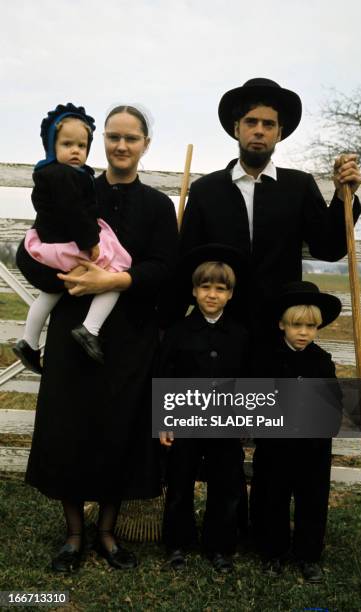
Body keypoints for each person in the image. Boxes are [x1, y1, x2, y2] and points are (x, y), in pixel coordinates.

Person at [15, 104, 178, 572]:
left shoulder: (158, 205)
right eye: (112, 137)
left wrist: (115, 282)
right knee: (69, 429)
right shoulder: (73, 185)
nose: (121, 145)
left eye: (131, 137)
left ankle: (107, 532)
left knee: (117, 432)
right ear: (100, 141)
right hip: (72, 329)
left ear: (146, 143)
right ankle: (73, 534)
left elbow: (165, 268)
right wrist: (61, 274)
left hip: (129, 336)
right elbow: (36, 250)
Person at [179, 78, 361, 337]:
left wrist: (344, 198)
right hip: (219, 325)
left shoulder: (299, 186)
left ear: (279, 133)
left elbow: (329, 248)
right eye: (251, 122)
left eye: (268, 124)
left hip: (277, 324)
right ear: (236, 128)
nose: (259, 131)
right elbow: (187, 261)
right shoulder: (205, 190)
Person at [13, 103, 133, 370]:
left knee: (50, 293)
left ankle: (28, 342)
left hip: (56, 243)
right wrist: (90, 241)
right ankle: (90, 328)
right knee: (116, 270)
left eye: (81, 145)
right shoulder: (62, 175)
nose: (76, 150)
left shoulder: (58, 174)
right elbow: (74, 213)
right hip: (72, 243)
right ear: (52, 146)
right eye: (67, 144)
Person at [158, 245, 249, 573]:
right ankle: (177, 544)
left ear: (230, 294)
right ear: (195, 291)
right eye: (206, 287)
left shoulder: (240, 335)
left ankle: (220, 546)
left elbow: (246, 379)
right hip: (184, 420)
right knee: (180, 482)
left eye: (220, 289)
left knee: (225, 485)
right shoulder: (178, 332)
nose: (212, 295)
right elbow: (164, 375)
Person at [250, 281, 342, 582]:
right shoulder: (267, 359)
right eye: (297, 325)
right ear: (282, 324)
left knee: (312, 500)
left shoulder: (322, 362)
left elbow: (332, 406)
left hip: (312, 447)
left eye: (311, 327)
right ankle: (273, 552)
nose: (304, 333)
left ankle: (308, 555)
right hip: (276, 446)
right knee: (272, 497)